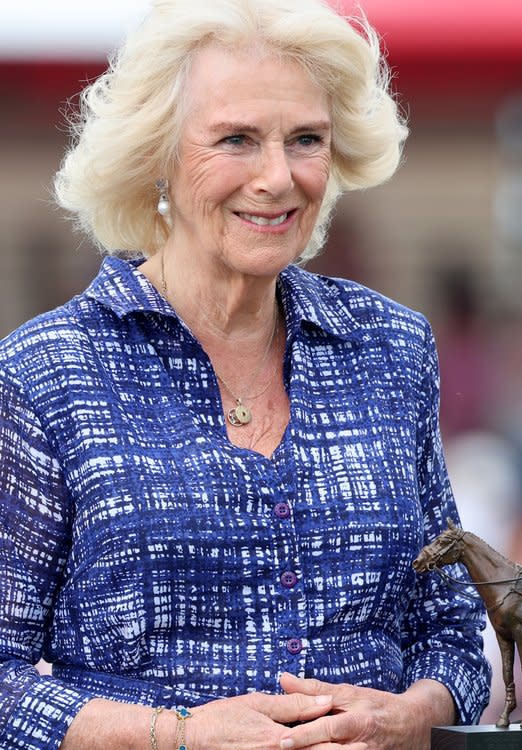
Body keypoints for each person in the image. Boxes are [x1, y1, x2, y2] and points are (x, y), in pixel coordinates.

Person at [0, 1, 491, 749]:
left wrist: (414, 716)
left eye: (306, 140)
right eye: (236, 139)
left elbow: (451, 626)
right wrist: (177, 735)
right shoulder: (44, 375)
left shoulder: (391, 348)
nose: (277, 177)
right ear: (157, 156)